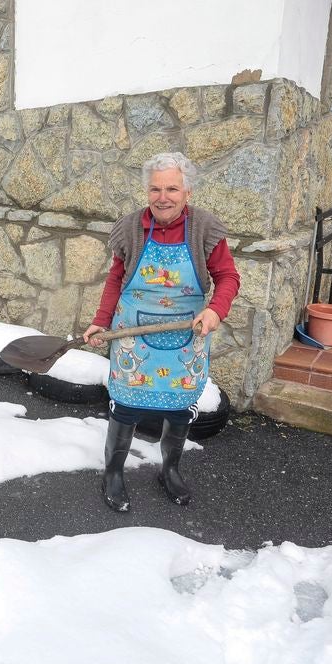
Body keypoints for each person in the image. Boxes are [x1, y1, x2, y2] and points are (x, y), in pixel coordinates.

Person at [82, 152, 240, 511]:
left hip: (187, 335)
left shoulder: (205, 228)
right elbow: (116, 278)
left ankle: (169, 469)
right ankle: (113, 472)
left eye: (172, 188)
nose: (162, 197)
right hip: (132, 334)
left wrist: (216, 310)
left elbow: (228, 276)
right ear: (147, 191)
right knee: (125, 408)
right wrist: (101, 320)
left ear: (187, 192)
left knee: (180, 410)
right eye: (155, 188)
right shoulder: (129, 228)